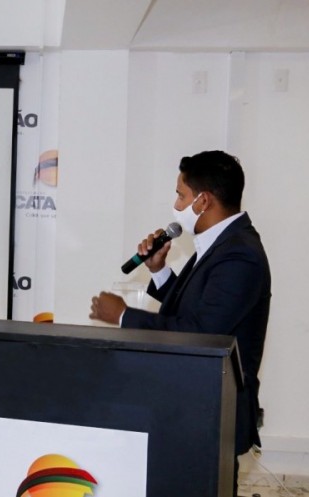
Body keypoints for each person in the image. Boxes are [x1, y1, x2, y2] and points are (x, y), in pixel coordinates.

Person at [89, 150, 271, 497]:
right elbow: (194, 312)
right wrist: (159, 270)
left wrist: (124, 315)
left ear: (203, 201)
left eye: (181, 195)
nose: (176, 204)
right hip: (188, 406)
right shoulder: (220, 244)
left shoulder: (240, 254)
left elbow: (200, 335)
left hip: (210, 413)